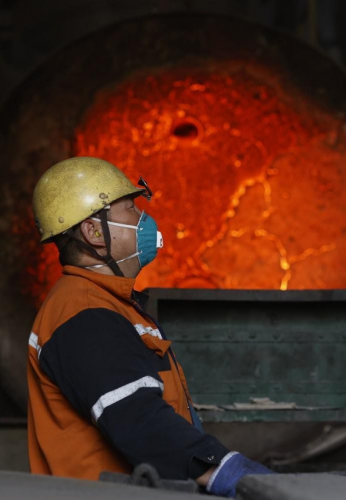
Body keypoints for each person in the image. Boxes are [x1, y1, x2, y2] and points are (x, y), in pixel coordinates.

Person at [27, 157, 272, 496]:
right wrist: (228, 471)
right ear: (94, 232)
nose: (143, 219)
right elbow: (138, 420)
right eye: (130, 209)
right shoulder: (84, 314)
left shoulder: (110, 304)